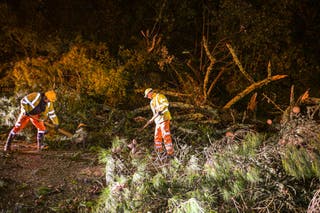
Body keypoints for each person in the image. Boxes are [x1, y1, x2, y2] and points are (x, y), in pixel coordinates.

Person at [144, 88, 174, 158]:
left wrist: (160, 109)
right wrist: (151, 120)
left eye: (147, 95)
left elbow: (166, 103)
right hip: (158, 121)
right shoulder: (151, 102)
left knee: (165, 135)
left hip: (164, 118)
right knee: (157, 136)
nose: (147, 97)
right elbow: (155, 113)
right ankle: (159, 152)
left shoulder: (159, 96)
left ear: (150, 93)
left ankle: (170, 153)